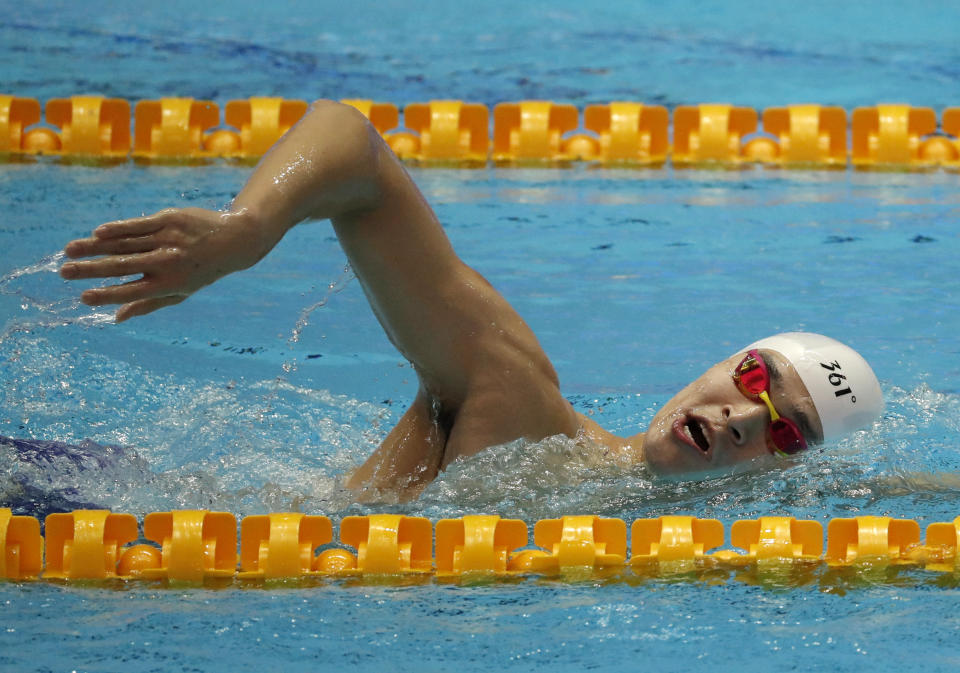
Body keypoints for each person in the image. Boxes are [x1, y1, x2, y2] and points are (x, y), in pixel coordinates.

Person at [59, 100, 884, 501]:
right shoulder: (523, 408)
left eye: (782, 430)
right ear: (720, 360)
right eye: (753, 378)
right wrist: (251, 226)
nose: (745, 418)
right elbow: (356, 151)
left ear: (787, 476)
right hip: (74, 497)